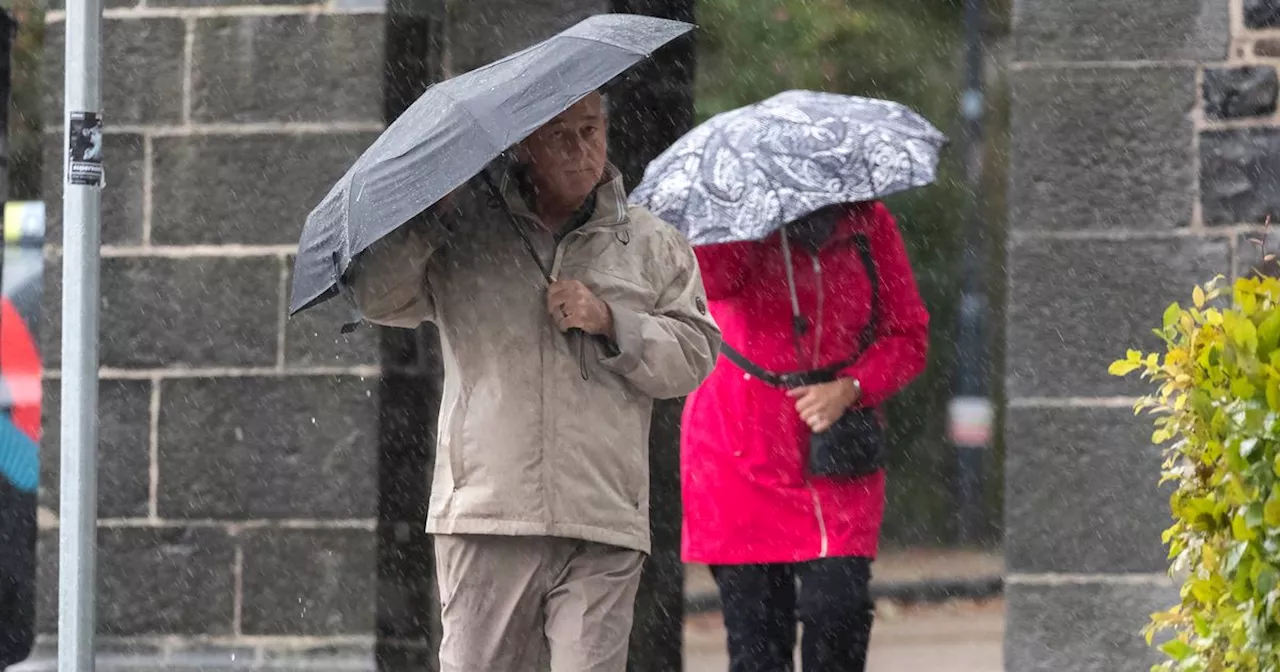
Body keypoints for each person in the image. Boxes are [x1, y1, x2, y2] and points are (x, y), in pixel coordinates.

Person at [347, 92, 721, 672]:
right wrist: (432, 218)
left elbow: (695, 353)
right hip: (489, 513)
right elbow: (377, 297)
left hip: (602, 515)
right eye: (559, 136)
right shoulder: (465, 231)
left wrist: (610, 321)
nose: (580, 151)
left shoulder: (649, 241)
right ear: (525, 146)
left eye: (592, 131)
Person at [680, 201, 929, 671]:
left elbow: (908, 335)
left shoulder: (869, 222)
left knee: (839, 610)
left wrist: (853, 386)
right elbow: (711, 284)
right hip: (738, 451)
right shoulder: (730, 217)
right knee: (758, 644)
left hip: (835, 453)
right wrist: (748, 223)